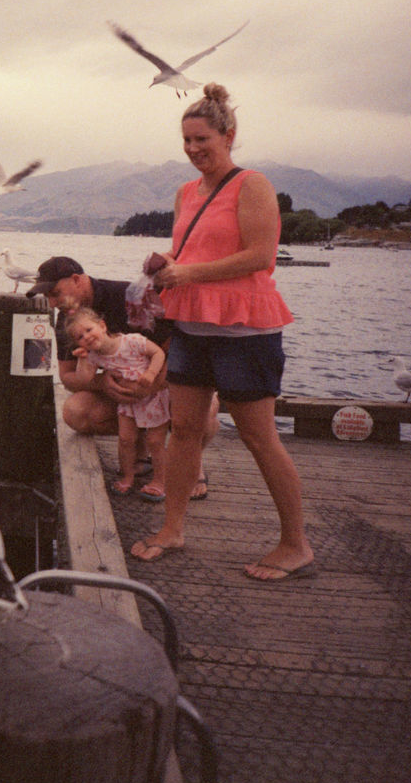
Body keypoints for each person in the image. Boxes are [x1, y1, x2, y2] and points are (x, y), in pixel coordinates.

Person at [129, 83, 315, 582]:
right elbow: (190, 253)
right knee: (185, 430)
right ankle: (172, 529)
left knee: (259, 439)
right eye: (186, 141)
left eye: (202, 140)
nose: (193, 150)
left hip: (244, 332)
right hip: (192, 326)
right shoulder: (185, 193)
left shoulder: (251, 184)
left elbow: (260, 256)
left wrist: (187, 274)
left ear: (228, 135)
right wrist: (169, 263)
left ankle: (295, 544)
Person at [28, 255, 214, 499]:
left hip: (161, 383)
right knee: (75, 411)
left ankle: (192, 462)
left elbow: (179, 353)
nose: (52, 303)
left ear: (76, 280)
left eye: (55, 293)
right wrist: (102, 383)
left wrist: (152, 386)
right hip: (126, 395)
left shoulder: (129, 296)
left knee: (208, 408)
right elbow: (68, 377)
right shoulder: (69, 319)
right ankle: (141, 451)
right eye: (48, 297)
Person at [65, 307, 169, 500]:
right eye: (80, 337)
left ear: (102, 326)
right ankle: (127, 476)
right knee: (125, 439)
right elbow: (85, 379)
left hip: (153, 399)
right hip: (127, 402)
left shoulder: (132, 341)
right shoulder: (94, 356)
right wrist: (81, 359)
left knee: (155, 441)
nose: (86, 337)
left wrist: (151, 374)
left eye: (89, 330)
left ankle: (159, 481)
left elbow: (158, 354)